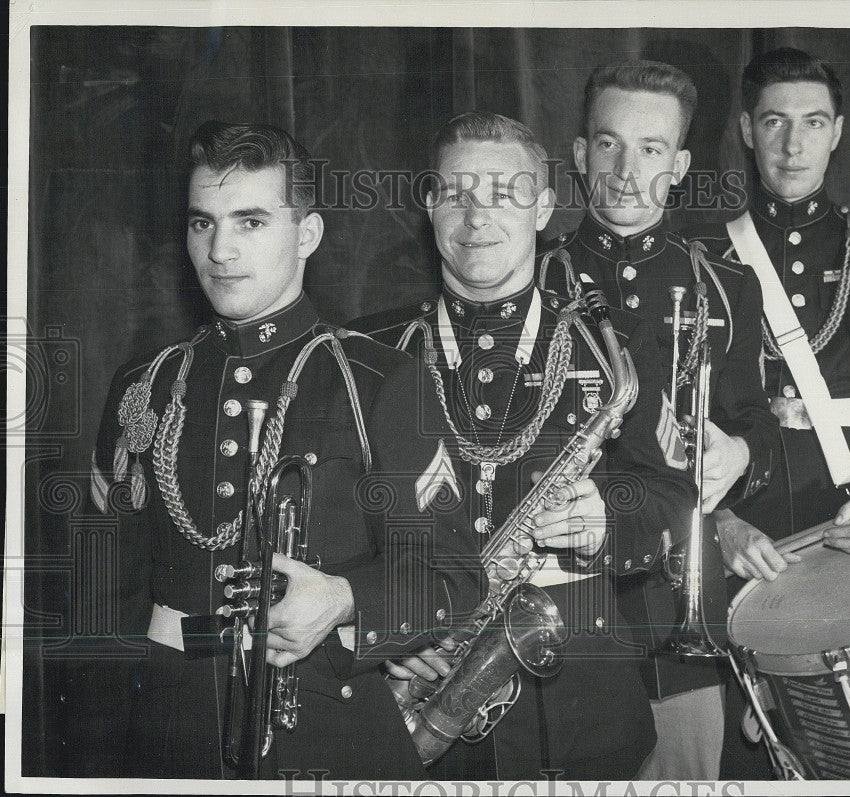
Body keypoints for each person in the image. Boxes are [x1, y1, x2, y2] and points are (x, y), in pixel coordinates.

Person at [63, 121, 483, 780]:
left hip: (327, 733)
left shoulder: (379, 380)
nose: (221, 250)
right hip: (164, 733)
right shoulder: (143, 383)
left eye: (251, 222)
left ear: (307, 235)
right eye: (203, 223)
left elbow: (454, 576)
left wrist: (345, 597)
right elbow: (100, 605)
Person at [351, 111, 698, 780]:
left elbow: (674, 497)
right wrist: (385, 623)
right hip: (417, 685)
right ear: (429, 205)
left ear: (543, 206)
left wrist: (608, 519)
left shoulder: (614, 349)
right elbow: (340, 528)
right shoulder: (367, 356)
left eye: (506, 193)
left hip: (585, 700)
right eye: (456, 192)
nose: (477, 215)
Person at [683, 48, 850, 779]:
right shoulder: (699, 257)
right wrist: (720, 524)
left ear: (838, 132)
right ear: (744, 129)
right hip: (747, 535)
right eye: (774, 122)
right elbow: (676, 424)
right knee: (753, 754)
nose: (793, 145)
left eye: (812, 122)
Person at [551, 60, 780, 780]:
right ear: (581, 154)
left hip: (682, 617)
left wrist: (741, 452)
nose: (625, 168)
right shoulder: (532, 277)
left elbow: (760, 423)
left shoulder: (726, 282)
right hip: (563, 614)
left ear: (679, 165)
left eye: (650, 149)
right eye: (609, 144)